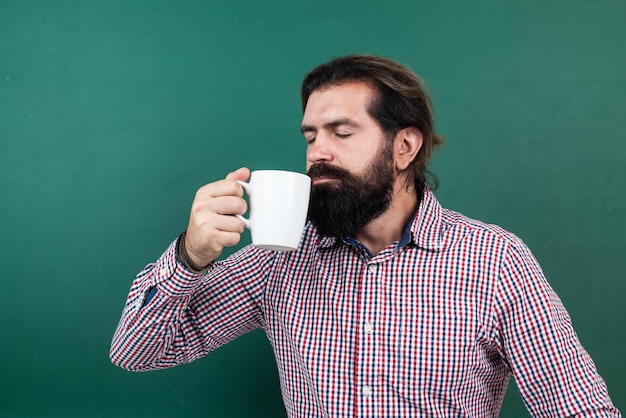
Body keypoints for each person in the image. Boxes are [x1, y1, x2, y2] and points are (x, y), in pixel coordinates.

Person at [111, 55, 620, 417]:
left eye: (342, 132)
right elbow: (135, 352)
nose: (317, 153)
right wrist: (190, 256)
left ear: (404, 147)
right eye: (310, 136)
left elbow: (577, 406)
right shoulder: (280, 259)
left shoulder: (495, 261)